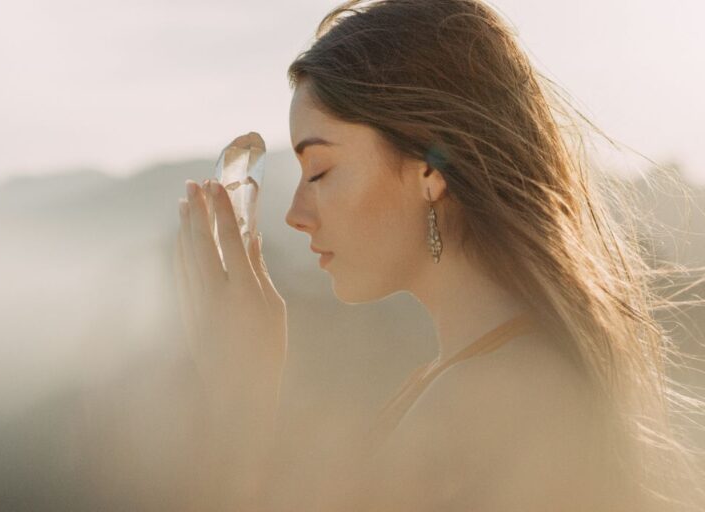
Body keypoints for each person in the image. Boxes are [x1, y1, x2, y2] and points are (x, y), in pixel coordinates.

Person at [174, 1, 705, 510]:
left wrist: (240, 406)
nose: (295, 212)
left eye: (319, 172)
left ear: (430, 166)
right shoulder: (487, 371)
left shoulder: (484, 403)